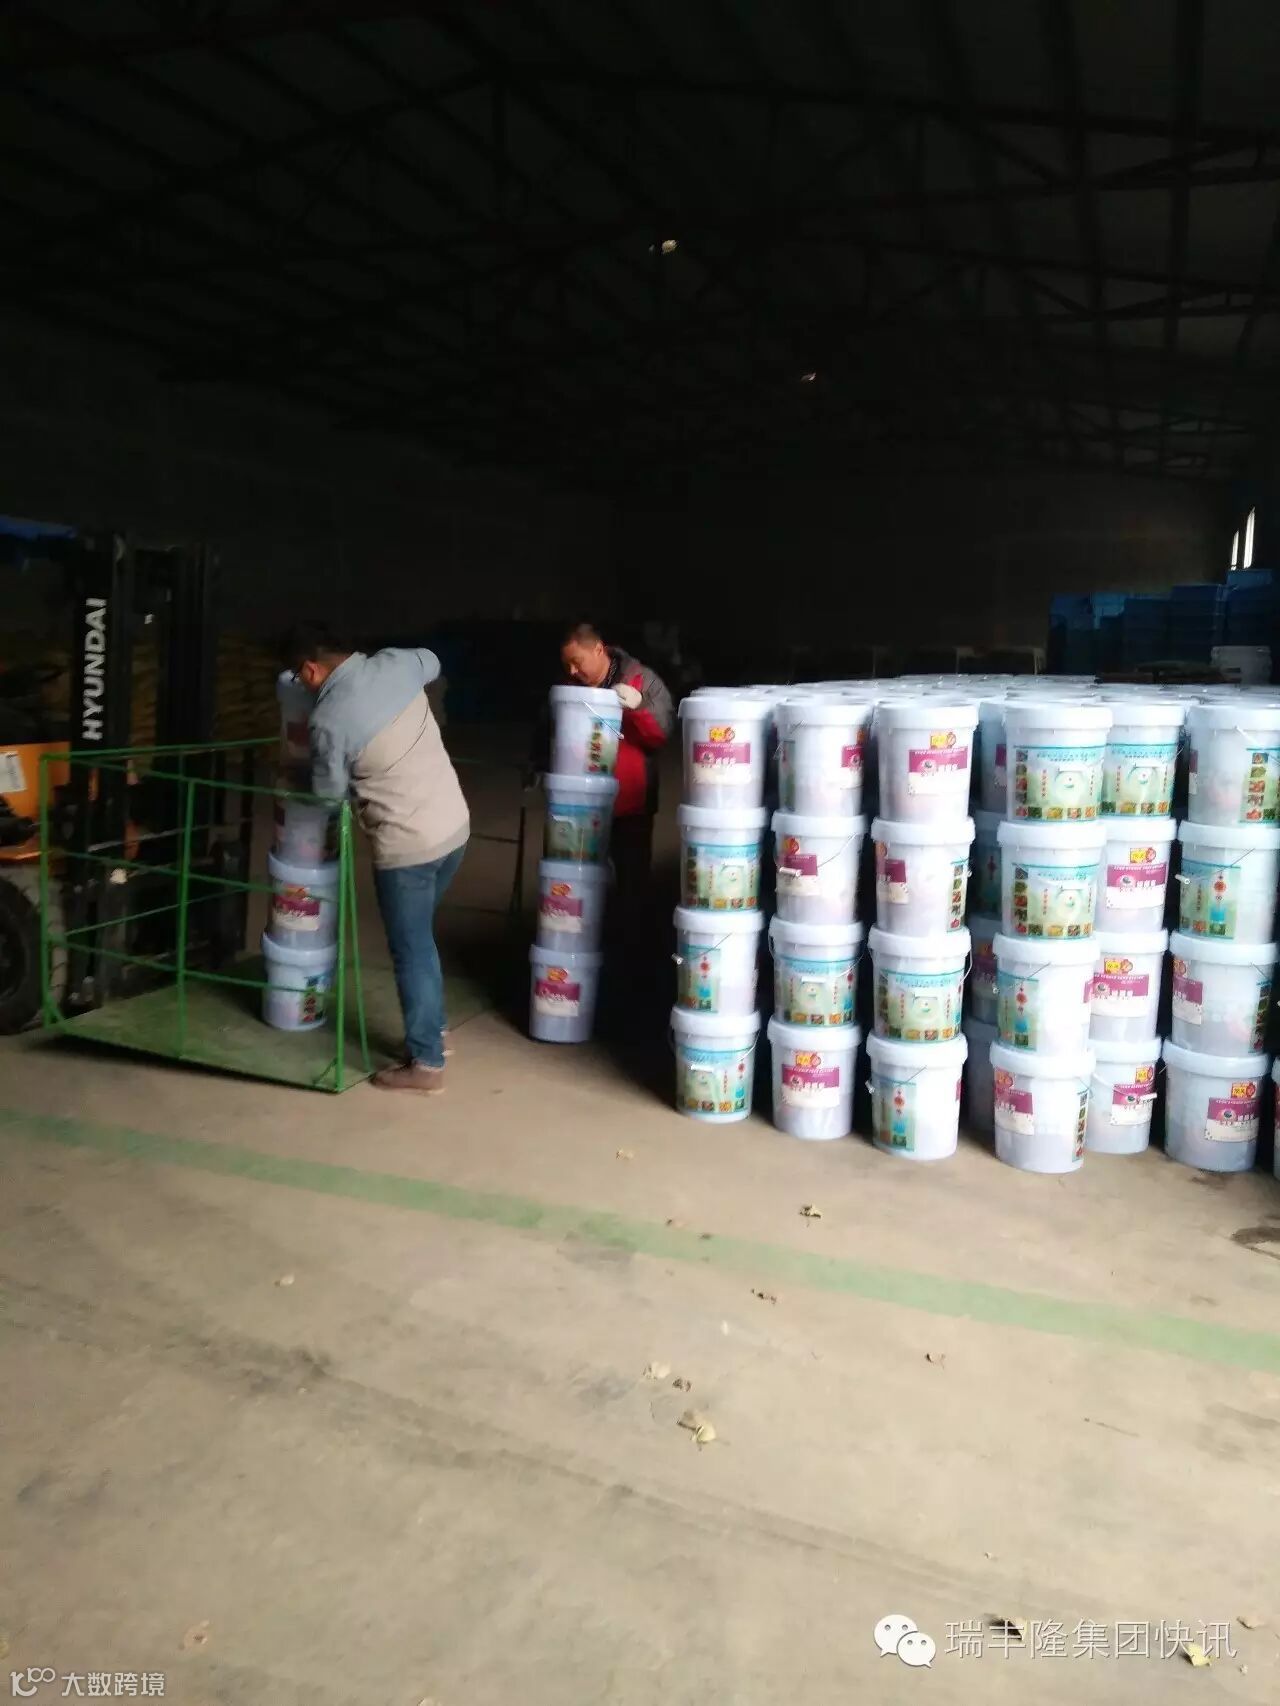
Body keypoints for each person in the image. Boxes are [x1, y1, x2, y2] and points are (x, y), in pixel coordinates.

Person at [287, 623, 469, 1096]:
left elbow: (328, 797)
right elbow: (433, 660)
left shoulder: (328, 720)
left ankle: (426, 1063)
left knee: (412, 949)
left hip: (408, 847)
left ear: (312, 670)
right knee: (420, 940)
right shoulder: (397, 662)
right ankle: (436, 1031)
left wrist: (298, 772)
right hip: (455, 828)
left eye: (301, 678)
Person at [558, 622, 674, 906]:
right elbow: (550, 731)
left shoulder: (640, 679)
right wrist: (536, 767)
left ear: (598, 649)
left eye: (577, 662)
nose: (572, 670)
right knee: (579, 883)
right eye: (567, 664)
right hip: (580, 805)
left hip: (630, 805)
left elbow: (662, 733)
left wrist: (639, 707)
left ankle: (631, 931)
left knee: (632, 884)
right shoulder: (571, 687)